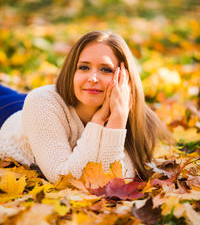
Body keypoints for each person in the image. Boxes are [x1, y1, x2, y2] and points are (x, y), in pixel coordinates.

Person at [0, 30, 172, 183]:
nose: (93, 78)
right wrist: (97, 122)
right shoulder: (42, 101)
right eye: (84, 67)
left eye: (105, 69)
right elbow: (63, 179)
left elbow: (113, 181)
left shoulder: (136, 118)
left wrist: (117, 121)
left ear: (125, 79)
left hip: (34, 110)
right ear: (71, 71)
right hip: (11, 115)